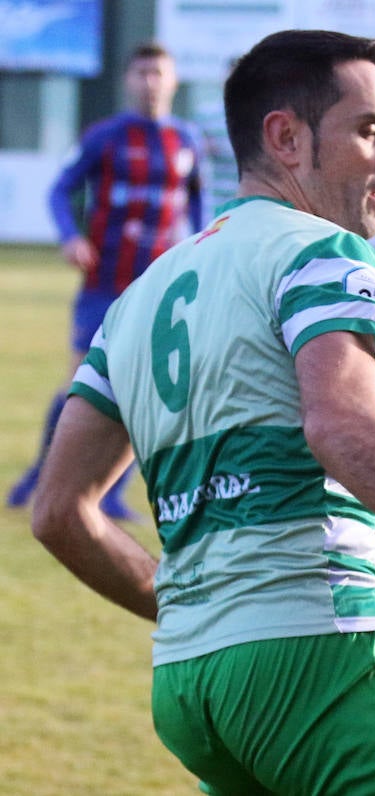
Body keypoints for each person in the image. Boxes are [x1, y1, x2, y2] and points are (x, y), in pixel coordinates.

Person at [30, 29, 375, 795]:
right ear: (286, 138)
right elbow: (339, 422)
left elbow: (59, 511)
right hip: (315, 656)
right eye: (370, 130)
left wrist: (189, 604)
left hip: (190, 684)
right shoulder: (321, 252)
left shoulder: (140, 297)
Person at [8, 42, 205, 521]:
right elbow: (60, 190)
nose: (150, 82)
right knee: (82, 381)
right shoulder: (106, 137)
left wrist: (202, 250)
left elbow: (197, 206)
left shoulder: (187, 141)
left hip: (156, 287)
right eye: (141, 73)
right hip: (104, 280)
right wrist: (71, 236)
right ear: (128, 81)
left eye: (158, 72)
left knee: (146, 386)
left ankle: (112, 490)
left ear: (173, 80)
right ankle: (41, 474)